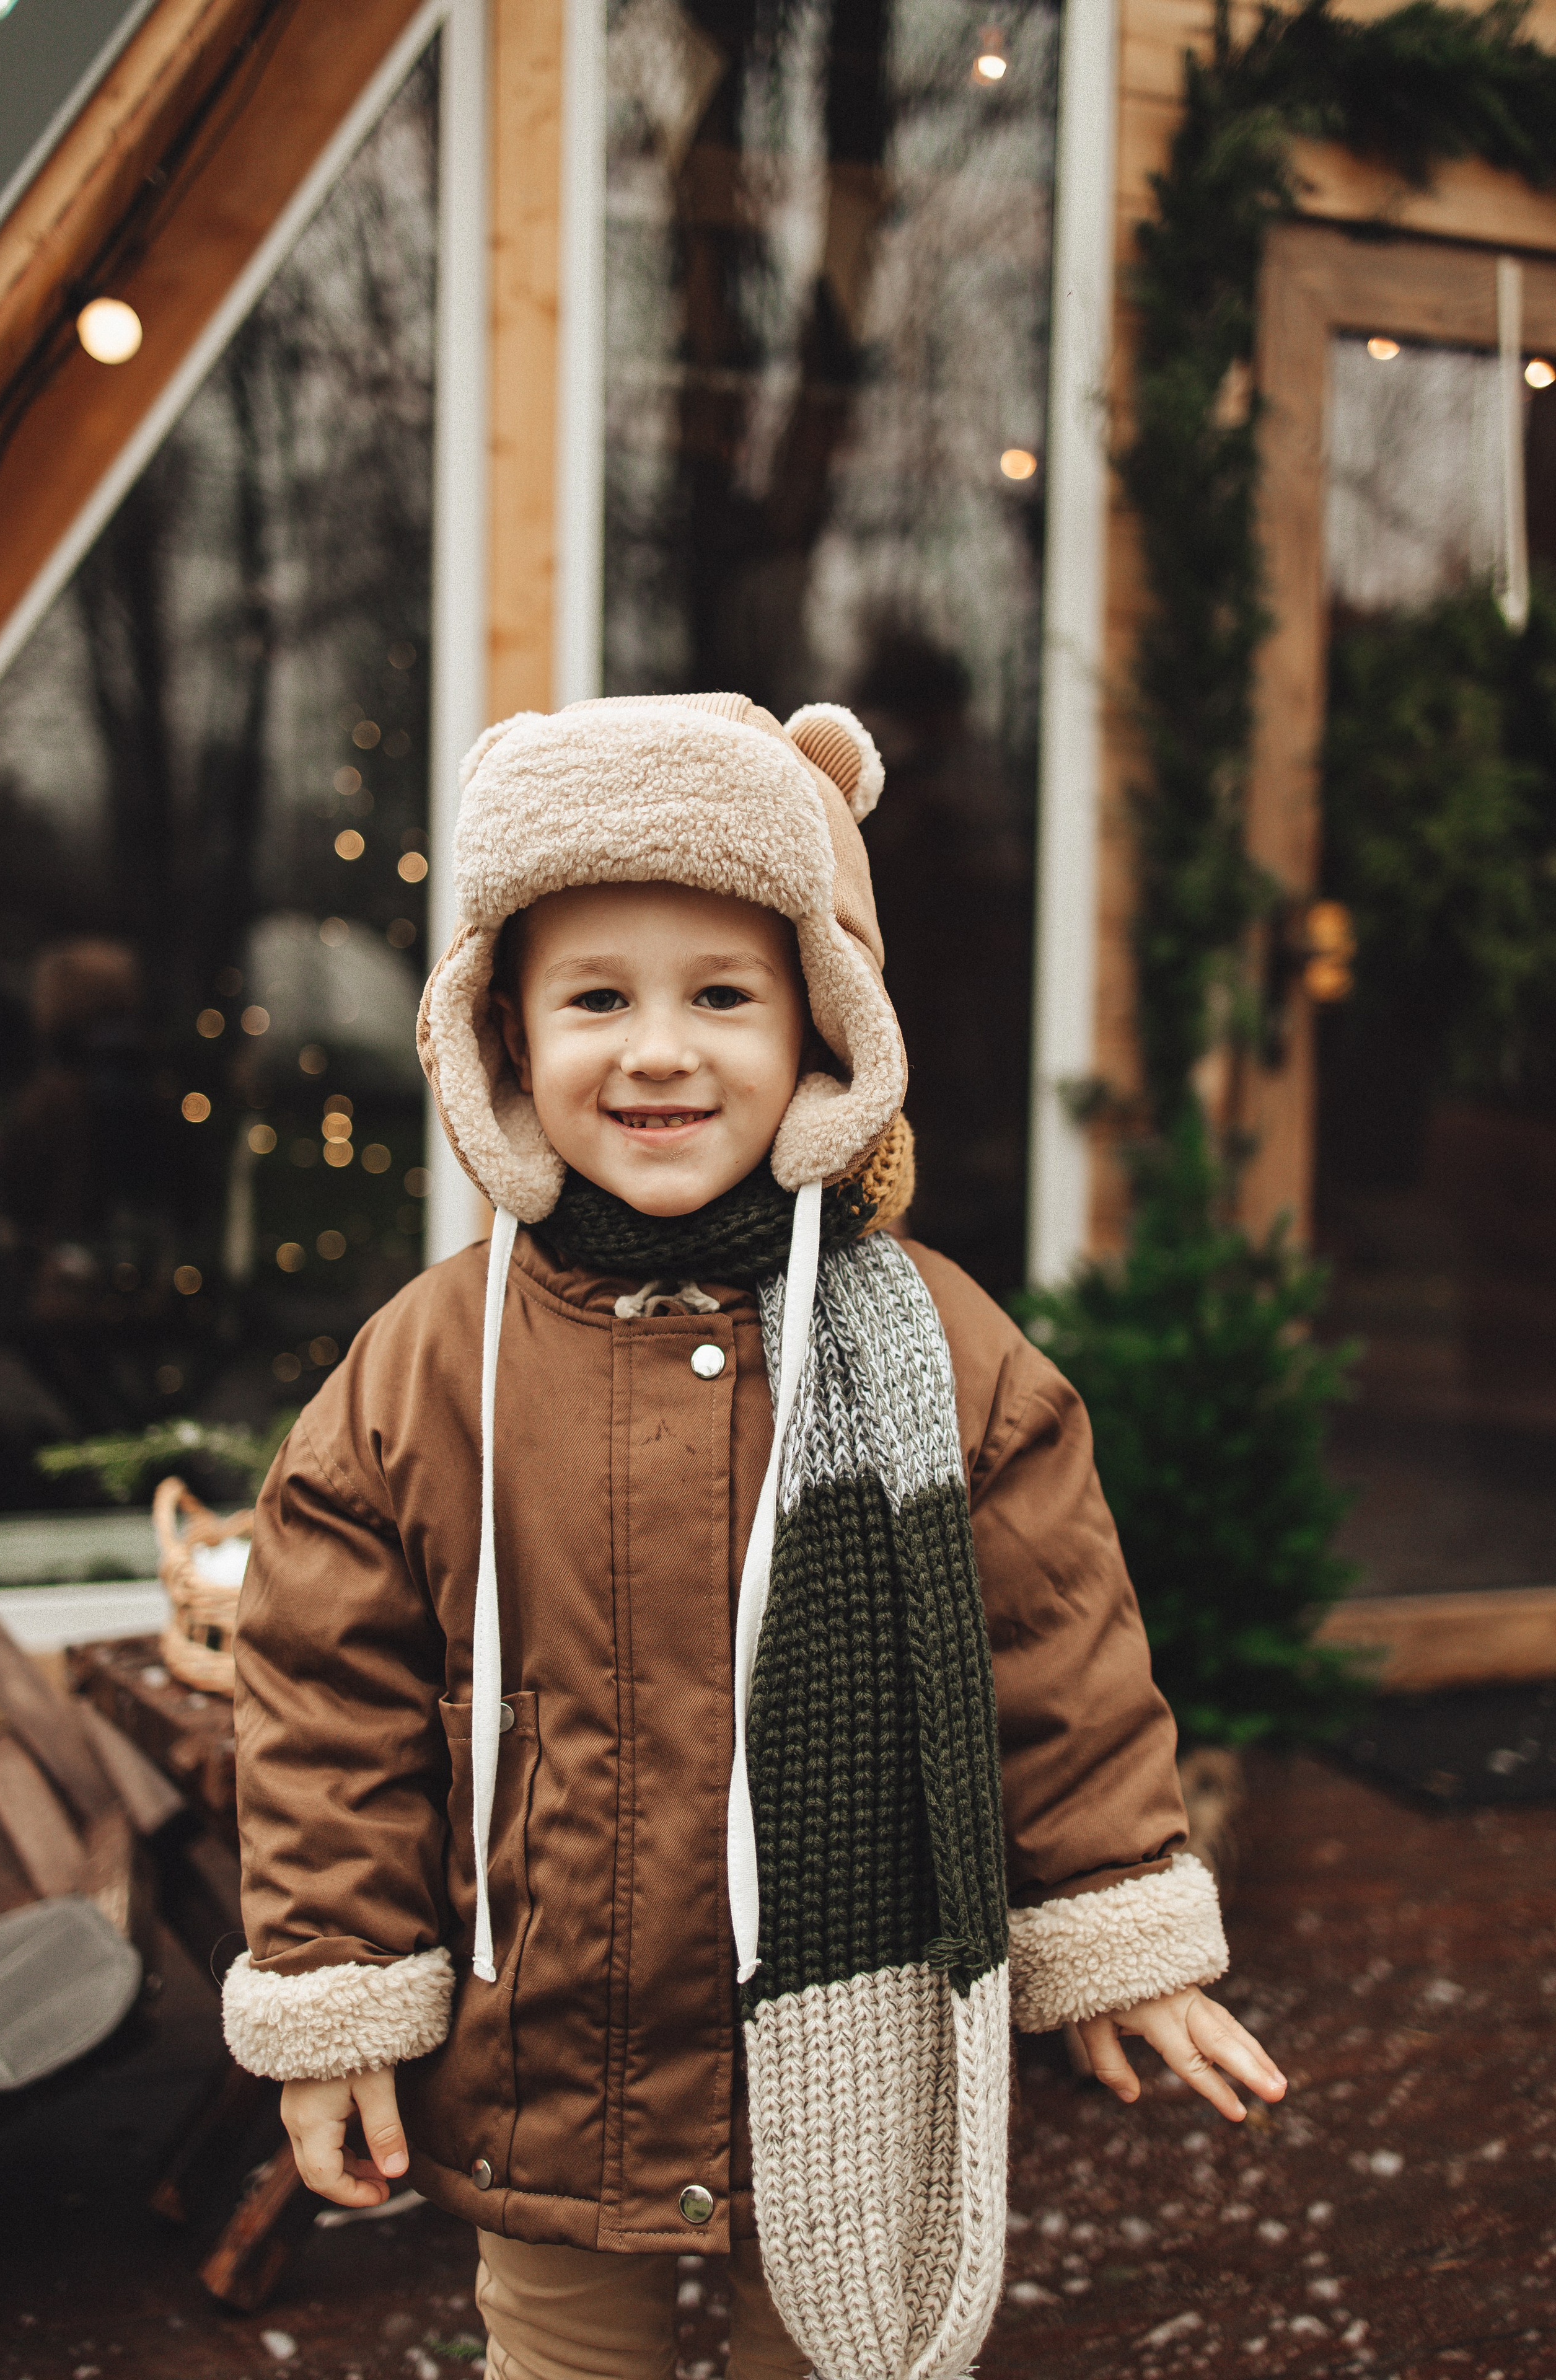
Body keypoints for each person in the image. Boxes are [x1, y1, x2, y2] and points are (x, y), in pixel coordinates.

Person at [223, 694, 1284, 2380]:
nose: (658, 1050)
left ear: (822, 1026)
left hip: (848, 2061)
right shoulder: (430, 1364)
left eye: (723, 995)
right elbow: (323, 1692)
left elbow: (1053, 1653)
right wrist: (339, 1988)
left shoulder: (935, 1348)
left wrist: (1116, 1928)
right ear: (499, 1038)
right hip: (549, 2055)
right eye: (596, 1000)